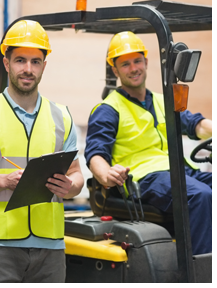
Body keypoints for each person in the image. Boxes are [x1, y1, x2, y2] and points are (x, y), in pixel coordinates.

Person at [0, 20, 84, 283]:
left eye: (35, 62)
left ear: (44, 66)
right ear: (6, 63)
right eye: (20, 60)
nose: (28, 69)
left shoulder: (62, 117)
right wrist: (3, 180)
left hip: (51, 249)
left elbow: (77, 176)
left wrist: (69, 187)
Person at [84, 31, 212, 256]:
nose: (133, 68)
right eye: (125, 64)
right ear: (115, 70)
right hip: (144, 179)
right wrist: (104, 175)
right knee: (200, 195)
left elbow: (196, 125)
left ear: (146, 61)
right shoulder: (108, 109)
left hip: (178, 171)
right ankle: (202, 270)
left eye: (137, 61)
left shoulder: (164, 101)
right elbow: (96, 152)